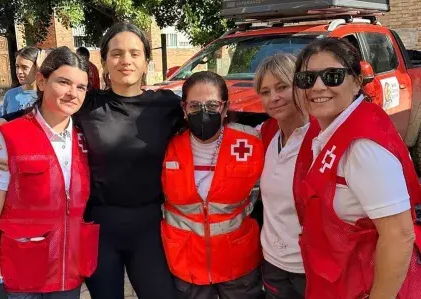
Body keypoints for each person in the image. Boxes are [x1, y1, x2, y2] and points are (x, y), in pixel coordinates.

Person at [0, 23, 182, 299]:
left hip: (149, 228)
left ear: (146, 60)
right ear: (105, 62)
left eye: (135, 53)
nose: (126, 61)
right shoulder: (87, 102)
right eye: (116, 54)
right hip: (98, 229)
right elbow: (39, 110)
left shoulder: (167, 105)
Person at [293, 37, 421, 299]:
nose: (317, 87)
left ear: (356, 81)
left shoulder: (362, 148)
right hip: (339, 280)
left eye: (332, 76)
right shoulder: (331, 126)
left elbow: (399, 236)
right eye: (307, 79)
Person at [0, 46, 99, 299]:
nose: (72, 93)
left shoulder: (86, 139)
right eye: (63, 82)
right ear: (42, 81)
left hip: (68, 275)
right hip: (19, 280)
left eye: (80, 87)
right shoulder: (6, 139)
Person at [161, 71, 264, 299]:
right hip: (187, 263)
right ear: (184, 109)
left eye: (212, 105)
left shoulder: (252, 143)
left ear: (225, 109)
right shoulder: (167, 147)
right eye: (195, 106)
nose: (203, 112)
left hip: (238, 262)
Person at [253, 53, 318, 299]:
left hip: (310, 267)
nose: (274, 98)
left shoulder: (321, 137)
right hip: (273, 263)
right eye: (265, 92)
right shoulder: (265, 134)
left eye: (282, 87)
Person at [2, 47, 39, 115]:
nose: (19, 72)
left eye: (24, 67)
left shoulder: (46, 95)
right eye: (17, 66)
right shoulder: (10, 95)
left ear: (37, 68)